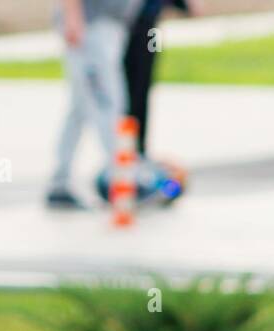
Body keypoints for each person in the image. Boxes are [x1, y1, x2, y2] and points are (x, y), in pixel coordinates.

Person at [46, 0, 142, 210]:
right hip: (90, 26)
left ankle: (59, 182)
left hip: (107, 25)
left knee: (81, 107)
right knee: (107, 104)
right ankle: (124, 178)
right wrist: (72, 18)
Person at [123, 0, 200, 158]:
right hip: (135, 24)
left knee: (143, 85)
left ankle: (138, 149)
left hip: (151, 27)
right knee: (133, 91)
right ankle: (131, 150)